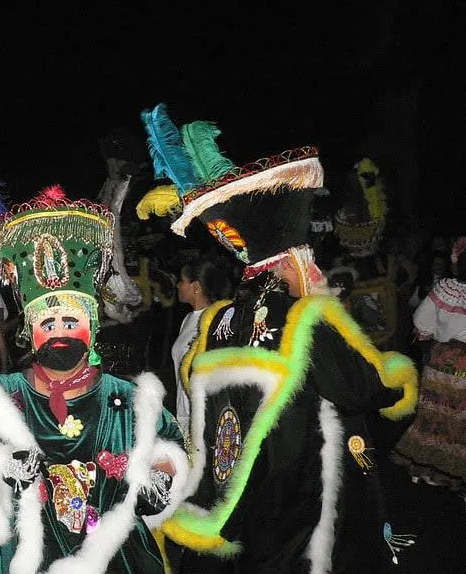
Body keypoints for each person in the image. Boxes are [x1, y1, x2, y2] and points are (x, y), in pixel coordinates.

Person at [136, 105, 419, 573]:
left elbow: (197, 387)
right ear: (289, 263)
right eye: (306, 259)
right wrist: (398, 377)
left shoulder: (219, 320)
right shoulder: (305, 318)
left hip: (241, 498)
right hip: (298, 493)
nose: (315, 270)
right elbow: (359, 388)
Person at [0, 183, 189, 573]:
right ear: (30, 332)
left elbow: (170, 447)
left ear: (92, 329)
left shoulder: (129, 399)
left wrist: (159, 476)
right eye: (48, 322)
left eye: (71, 321)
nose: (59, 330)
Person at [391, 236, 466, 493]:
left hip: (442, 362)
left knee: (435, 414)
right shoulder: (445, 288)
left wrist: (437, 336)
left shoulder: (445, 289)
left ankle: (427, 469)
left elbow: (421, 321)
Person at [172, 258, 232, 432]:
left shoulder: (216, 320)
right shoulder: (188, 320)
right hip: (184, 412)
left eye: (182, 281)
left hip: (205, 418)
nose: (177, 286)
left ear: (196, 287)